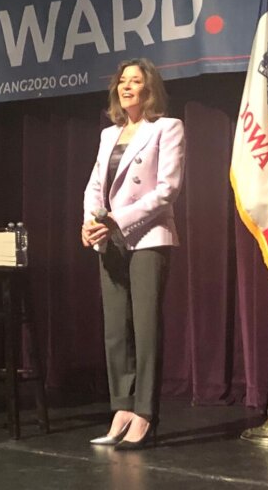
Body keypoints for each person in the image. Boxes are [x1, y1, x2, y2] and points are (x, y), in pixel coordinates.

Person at [81, 58, 184, 450]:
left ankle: (144, 413)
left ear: (149, 88)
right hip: (110, 239)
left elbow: (166, 190)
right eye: (122, 81)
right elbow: (95, 184)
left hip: (147, 237)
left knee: (144, 328)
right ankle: (121, 408)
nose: (126, 86)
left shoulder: (167, 128)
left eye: (135, 81)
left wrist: (115, 220)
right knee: (115, 331)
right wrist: (92, 221)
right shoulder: (110, 134)